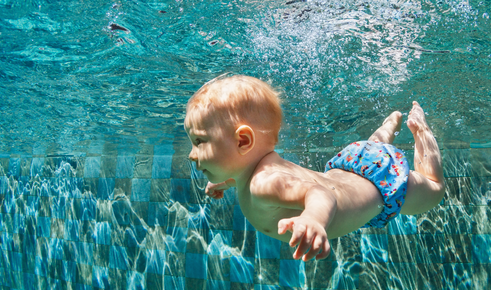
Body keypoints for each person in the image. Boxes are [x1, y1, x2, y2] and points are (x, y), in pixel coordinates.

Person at [185, 75, 445, 261]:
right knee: (375, 148)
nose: (191, 154)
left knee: (433, 190)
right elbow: (245, 173)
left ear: (243, 141)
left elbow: (321, 195)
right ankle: (387, 129)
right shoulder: (251, 173)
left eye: (199, 142)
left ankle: (419, 129)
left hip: (381, 184)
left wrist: (313, 219)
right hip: (354, 165)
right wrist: (225, 181)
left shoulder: (264, 183)